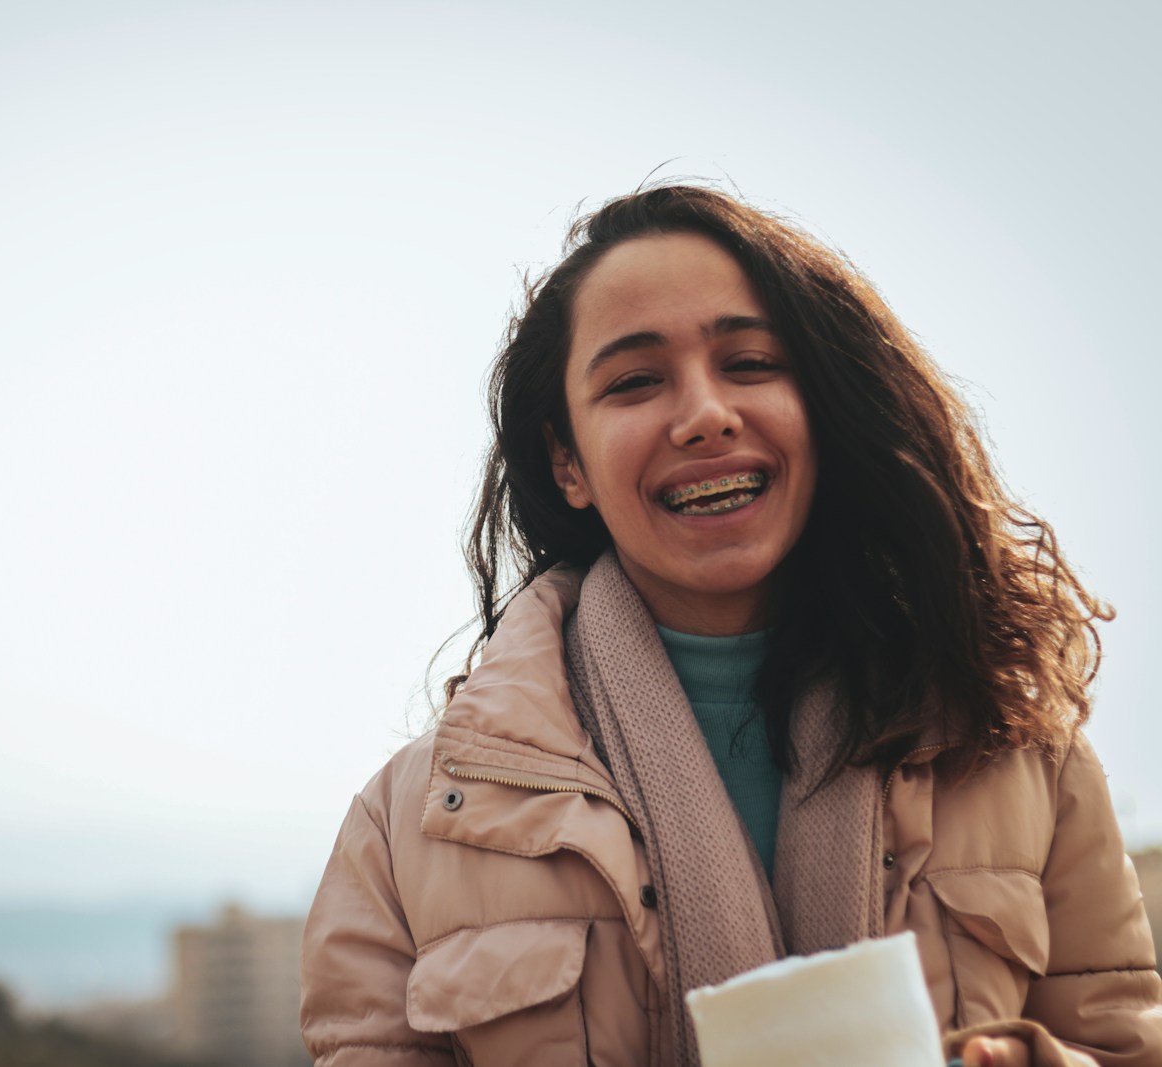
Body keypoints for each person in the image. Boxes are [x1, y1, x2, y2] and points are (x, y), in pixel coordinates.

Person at [298, 185, 1162, 1067]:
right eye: (636, 381)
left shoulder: (1017, 751)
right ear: (567, 461)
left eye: (750, 363)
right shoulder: (411, 826)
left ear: (823, 406)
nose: (707, 413)